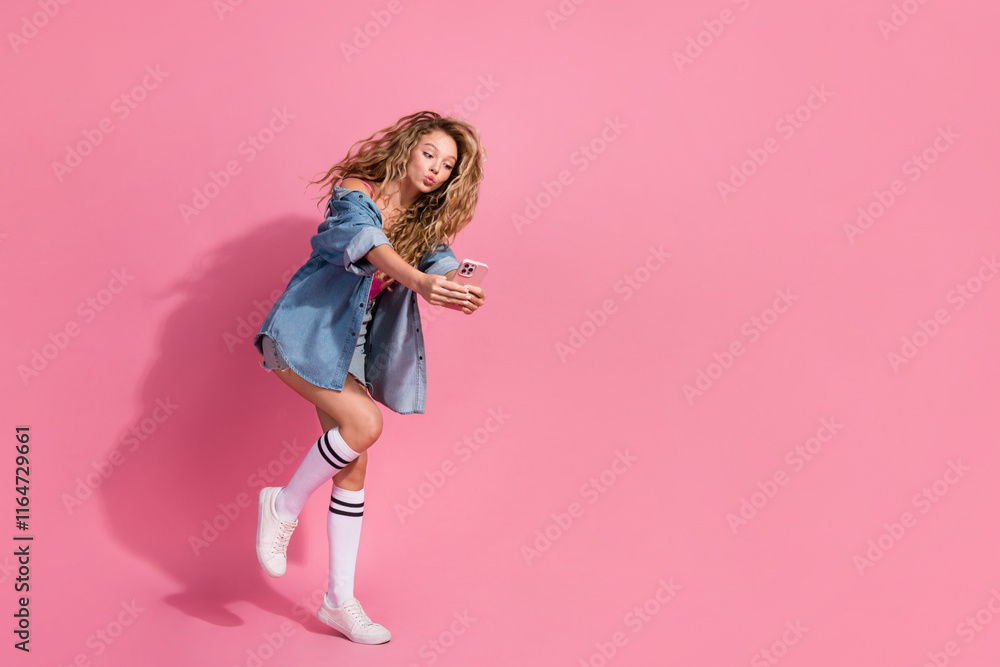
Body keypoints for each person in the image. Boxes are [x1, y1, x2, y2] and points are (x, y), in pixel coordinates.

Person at [251, 110, 487, 644]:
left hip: (352, 350)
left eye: (448, 165)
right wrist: (419, 281)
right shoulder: (356, 191)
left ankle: (339, 601)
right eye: (430, 153)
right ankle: (282, 506)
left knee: (353, 469)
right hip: (306, 333)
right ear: (407, 148)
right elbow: (363, 241)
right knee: (364, 424)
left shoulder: (425, 220)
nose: (436, 169)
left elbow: (440, 258)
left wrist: (453, 283)